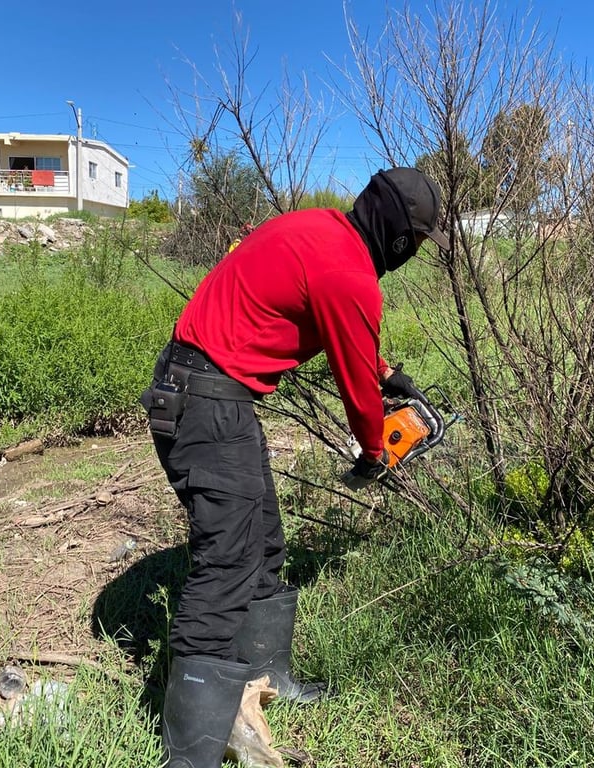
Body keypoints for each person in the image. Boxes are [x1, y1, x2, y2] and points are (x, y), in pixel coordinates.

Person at [140, 167, 449, 768]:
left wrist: (385, 373)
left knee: (262, 540)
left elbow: (341, 330)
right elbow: (356, 391)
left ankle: (267, 680)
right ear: (398, 236)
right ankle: (190, 757)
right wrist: (375, 452)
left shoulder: (317, 228)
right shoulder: (352, 275)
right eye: (417, 240)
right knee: (226, 563)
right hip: (206, 400)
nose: (414, 251)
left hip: (208, 390)